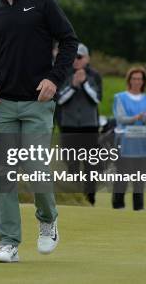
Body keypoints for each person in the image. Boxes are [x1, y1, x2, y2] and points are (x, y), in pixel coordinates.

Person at [0, 0, 78, 263]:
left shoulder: (43, 4)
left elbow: (69, 41)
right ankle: (8, 243)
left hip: (37, 103)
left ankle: (48, 220)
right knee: (4, 173)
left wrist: (54, 78)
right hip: (3, 104)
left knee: (35, 168)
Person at [56, 43, 102, 205]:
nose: (76, 60)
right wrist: (74, 86)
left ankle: (90, 198)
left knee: (91, 164)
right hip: (68, 127)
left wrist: (84, 83)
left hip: (90, 127)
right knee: (71, 163)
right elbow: (60, 99)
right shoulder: (63, 74)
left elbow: (96, 99)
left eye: (80, 57)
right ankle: (74, 197)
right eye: (73, 57)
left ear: (87, 58)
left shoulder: (94, 75)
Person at [112, 67, 146, 211]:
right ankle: (118, 206)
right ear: (129, 80)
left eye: (139, 79)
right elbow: (121, 118)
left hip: (141, 144)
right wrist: (136, 118)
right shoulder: (120, 97)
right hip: (125, 143)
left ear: (143, 82)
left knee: (139, 180)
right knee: (122, 177)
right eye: (134, 78)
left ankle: (139, 208)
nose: (137, 82)